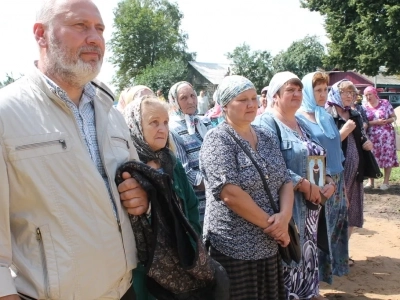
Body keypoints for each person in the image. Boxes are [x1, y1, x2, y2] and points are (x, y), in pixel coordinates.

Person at [0, 1, 149, 299]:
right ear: (41, 35)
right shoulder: (6, 113)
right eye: (80, 26)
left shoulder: (110, 111)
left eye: (100, 29)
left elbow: (132, 187)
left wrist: (142, 197)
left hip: (124, 288)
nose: (94, 37)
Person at [200, 75, 293, 299]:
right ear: (224, 106)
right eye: (242, 100)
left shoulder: (266, 136)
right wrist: (276, 227)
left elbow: (285, 180)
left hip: (269, 244)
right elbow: (230, 193)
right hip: (234, 247)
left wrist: (285, 218)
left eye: (253, 98)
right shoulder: (217, 140)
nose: (251, 104)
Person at [253, 71, 336, 300]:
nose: (297, 94)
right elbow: (267, 163)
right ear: (275, 96)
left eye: (299, 90)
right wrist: (302, 183)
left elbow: (315, 155)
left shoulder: (300, 122)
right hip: (288, 209)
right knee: (289, 258)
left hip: (311, 206)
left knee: (307, 254)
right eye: (290, 90)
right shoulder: (265, 122)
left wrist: (326, 181)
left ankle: (309, 293)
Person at [123, 96, 202, 300]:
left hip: (181, 260)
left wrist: (192, 245)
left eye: (166, 122)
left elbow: (191, 207)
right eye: (154, 122)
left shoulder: (171, 163)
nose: (163, 129)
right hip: (145, 271)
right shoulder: (128, 168)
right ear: (135, 126)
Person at [298, 71, 349, 287]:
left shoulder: (325, 115)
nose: (322, 94)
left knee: (336, 223)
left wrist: (342, 183)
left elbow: (336, 148)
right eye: (317, 90)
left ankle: (332, 270)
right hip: (318, 179)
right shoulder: (298, 117)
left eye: (325, 90)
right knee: (318, 227)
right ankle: (314, 276)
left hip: (336, 176)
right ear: (308, 91)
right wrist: (319, 183)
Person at [326, 80, 373, 265]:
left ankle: (343, 251)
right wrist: (343, 132)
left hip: (357, 171)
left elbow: (361, 135)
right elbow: (327, 145)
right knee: (336, 212)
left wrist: (365, 142)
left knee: (352, 210)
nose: (349, 96)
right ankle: (331, 253)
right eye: (345, 92)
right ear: (336, 94)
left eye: (352, 93)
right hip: (338, 172)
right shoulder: (327, 114)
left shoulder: (355, 113)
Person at [168, 81, 213, 224]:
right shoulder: (173, 130)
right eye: (184, 98)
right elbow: (185, 171)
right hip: (199, 201)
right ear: (174, 101)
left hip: (221, 195)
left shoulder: (205, 122)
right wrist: (216, 187)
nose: (191, 101)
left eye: (193, 96)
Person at [363, 86, 399, 190]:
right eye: (366, 95)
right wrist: (376, 122)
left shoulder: (385, 103)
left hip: (387, 137)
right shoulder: (364, 107)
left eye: (370, 94)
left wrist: (387, 121)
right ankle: (371, 182)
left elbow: (394, 117)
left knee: (387, 157)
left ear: (375, 93)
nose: (368, 97)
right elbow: (363, 122)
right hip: (371, 137)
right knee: (371, 158)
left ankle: (386, 182)